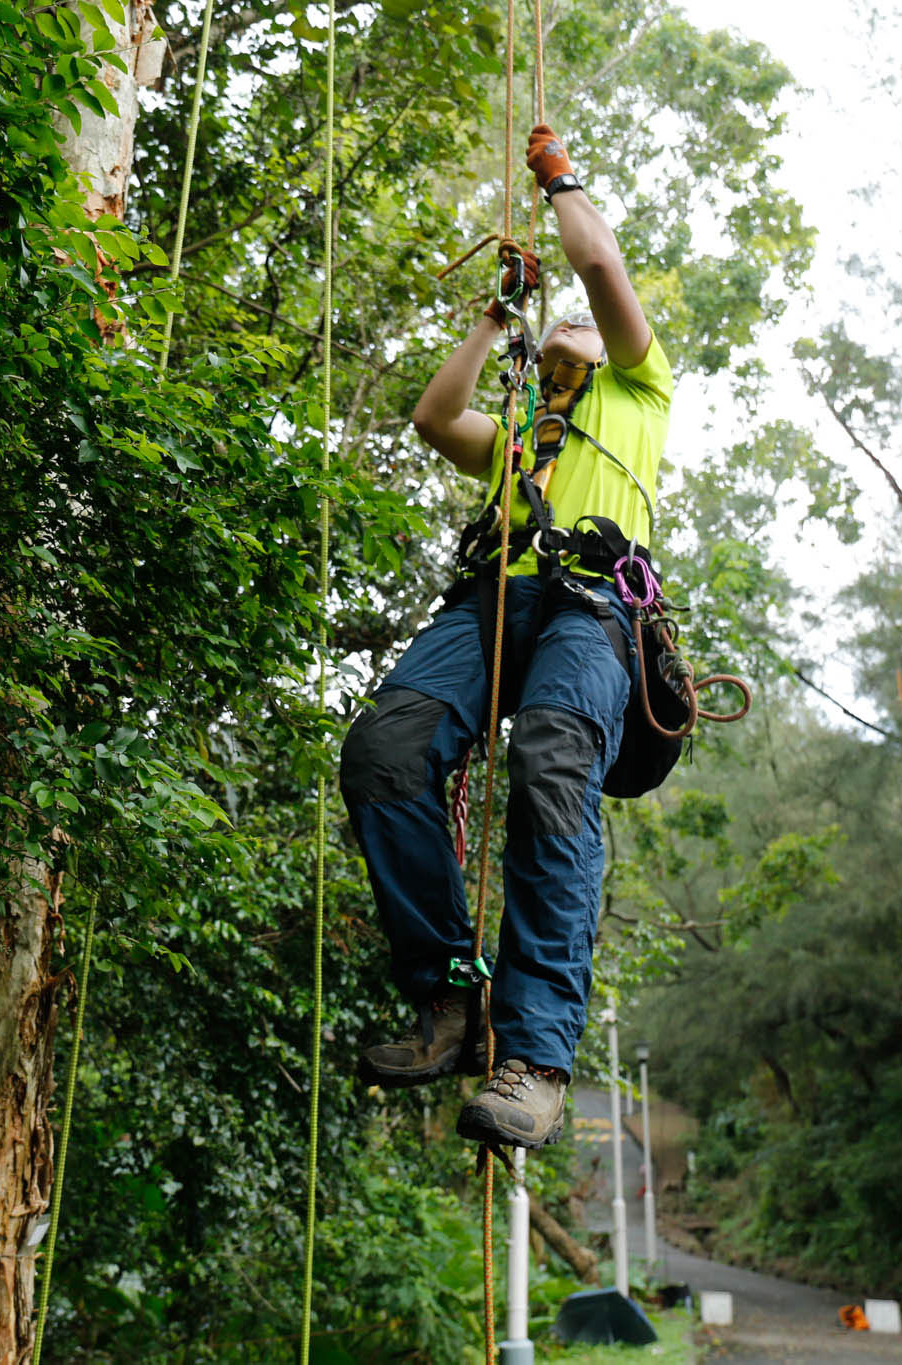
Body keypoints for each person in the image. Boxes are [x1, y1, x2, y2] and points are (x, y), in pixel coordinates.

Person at [339, 122, 675, 1148]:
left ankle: (533, 1056)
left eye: (579, 327)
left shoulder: (636, 392)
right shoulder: (516, 440)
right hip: (492, 604)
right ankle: (451, 999)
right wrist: (492, 324)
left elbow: (598, 263)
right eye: (556, 327)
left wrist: (560, 179)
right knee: (384, 753)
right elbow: (438, 419)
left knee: (549, 762)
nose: (569, 324)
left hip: (591, 605)